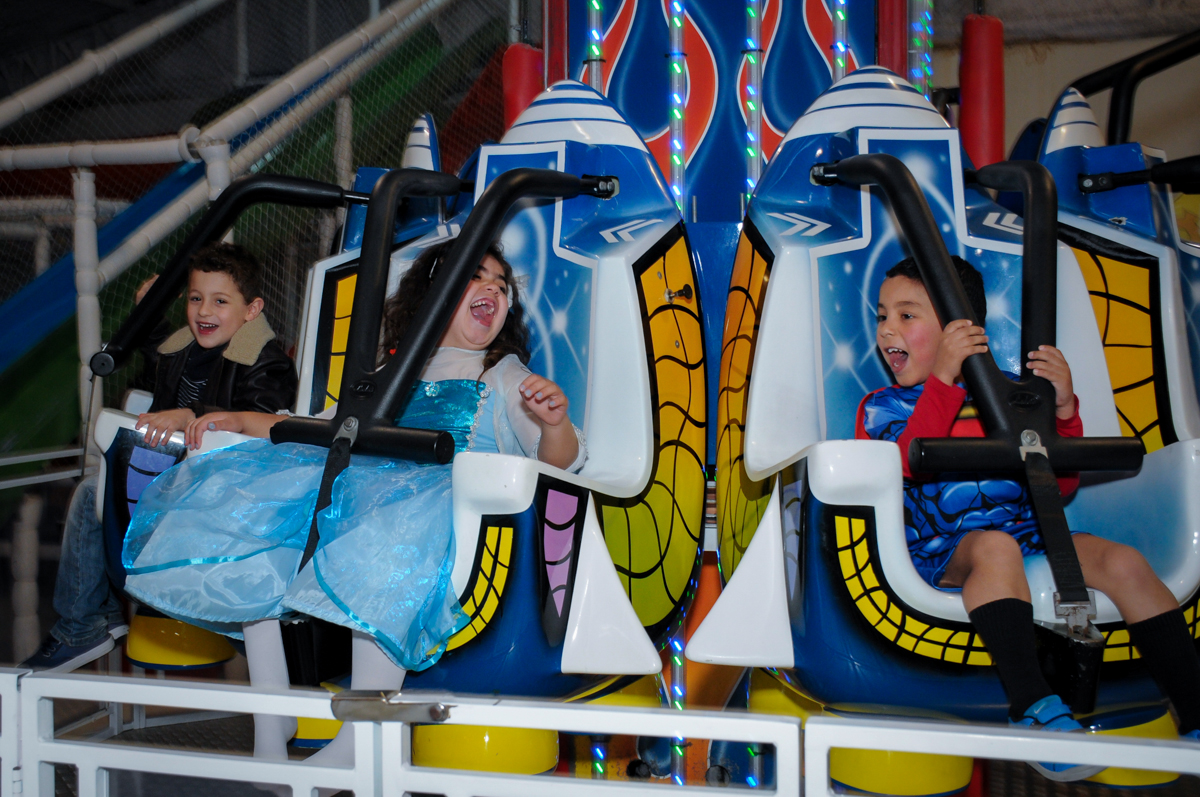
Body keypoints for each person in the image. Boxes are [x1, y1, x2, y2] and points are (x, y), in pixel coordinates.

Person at [120, 239, 585, 763]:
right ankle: (271, 710)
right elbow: (325, 428)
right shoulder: (393, 372)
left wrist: (555, 423)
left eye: (501, 286)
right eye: (477, 277)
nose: (493, 290)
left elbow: (560, 464)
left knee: (378, 545)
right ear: (432, 295)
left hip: (434, 505)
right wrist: (238, 420)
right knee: (261, 528)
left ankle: (363, 730)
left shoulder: (501, 375)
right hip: (367, 487)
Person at [858, 256, 1200, 781]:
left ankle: (1193, 708)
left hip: (1027, 533)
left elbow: (1059, 487)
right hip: (938, 545)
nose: (887, 330)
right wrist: (945, 383)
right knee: (995, 548)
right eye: (883, 315)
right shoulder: (883, 406)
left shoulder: (1011, 395)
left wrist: (1062, 409)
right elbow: (903, 465)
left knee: (1123, 561)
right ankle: (1034, 709)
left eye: (907, 316)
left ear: (960, 330)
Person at [20, 243, 297, 672]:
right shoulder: (181, 350)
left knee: (94, 492)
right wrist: (145, 307)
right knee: (91, 496)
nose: (204, 310)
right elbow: (156, 348)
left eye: (221, 301)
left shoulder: (266, 363)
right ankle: (89, 619)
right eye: (195, 298)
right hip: (174, 473)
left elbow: (260, 420)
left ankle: (86, 623)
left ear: (251, 310)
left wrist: (195, 416)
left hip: (226, 489)